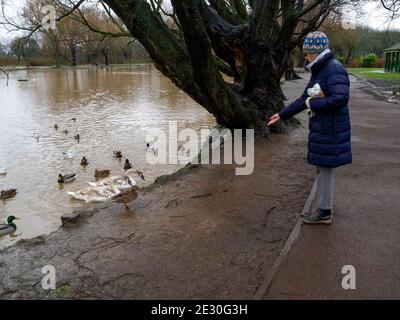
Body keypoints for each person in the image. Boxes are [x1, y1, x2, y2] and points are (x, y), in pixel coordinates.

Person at [268, 31, 352, 225]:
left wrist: (313, 104)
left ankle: (324, 212)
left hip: (329, 129)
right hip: (325, 128)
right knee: (322, 168)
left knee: (325, 169)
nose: (305, 56)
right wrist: (281, 114)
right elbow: (303, 99)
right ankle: (324, 209)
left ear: (317, 51)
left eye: (307, 53)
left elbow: (340, 98)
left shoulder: (333, 69)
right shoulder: (321, 69)